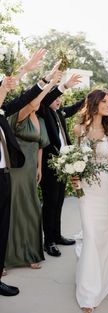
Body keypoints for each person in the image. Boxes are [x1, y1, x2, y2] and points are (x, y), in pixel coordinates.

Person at [0, 49, 47, 295]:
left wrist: (44, 79)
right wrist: (25, 69)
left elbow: (24, 98)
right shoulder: (8, 113)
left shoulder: (3, 111)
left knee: (3, 222)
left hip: (5, 172)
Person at [5, 69, 61, 270]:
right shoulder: (19, 115)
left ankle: (30, 253)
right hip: (17, 169)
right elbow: (33, 102)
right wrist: (49, 83)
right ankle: (8, 257)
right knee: (15, 209)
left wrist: (39, 167)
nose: (36, 102)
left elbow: (40, 145)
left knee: (33, 210)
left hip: (31, 170)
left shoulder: (42, 120)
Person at [72, 89, 108, 313]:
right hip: (85, 189)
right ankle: (88, 291)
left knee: (105, 234)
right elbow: (73, 159)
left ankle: (104, 270)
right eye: (105, 102)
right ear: (95, 103)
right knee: (90, 234)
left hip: (106, 187)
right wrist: (71, 175)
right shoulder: (78, 129)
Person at [38, 73, 84, 257]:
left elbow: (71, 109)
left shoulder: (59, 113)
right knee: (50, 204)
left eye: (59, 98)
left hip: (64, 165)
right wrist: (62, 85)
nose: (58, 100)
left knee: (59, 202)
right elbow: (46, 97)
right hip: (50, 166)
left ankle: (57, 235)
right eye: (55, 98)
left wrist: (86, 100)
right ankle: (48, 241)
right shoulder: (42, 109)